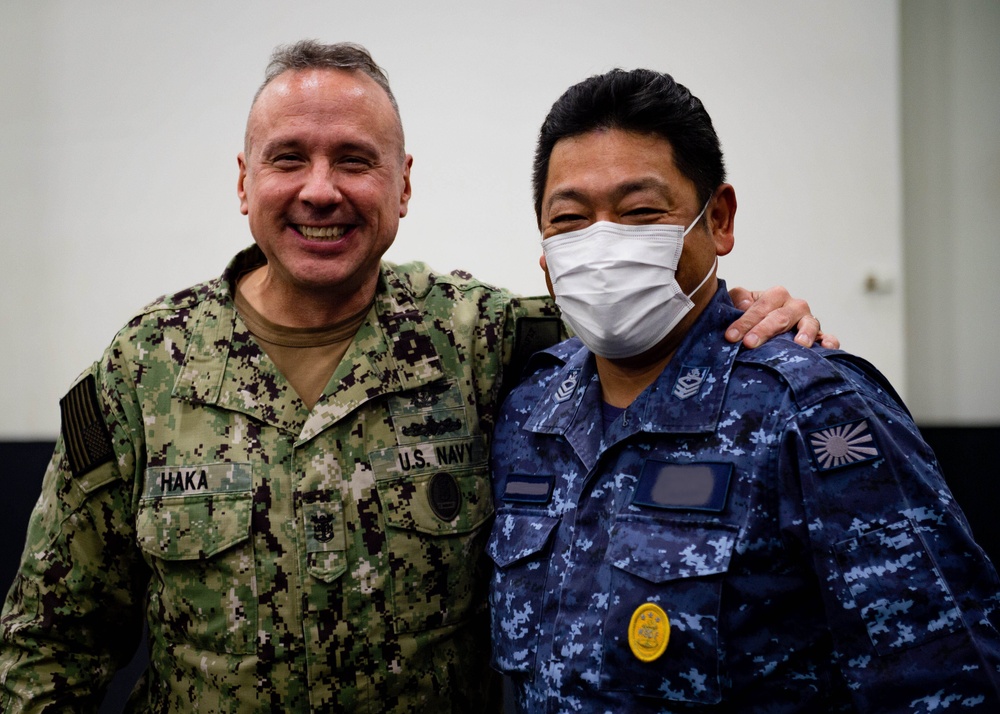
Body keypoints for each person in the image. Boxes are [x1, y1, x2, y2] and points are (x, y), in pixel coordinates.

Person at [0, 41, 829, 711]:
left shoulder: (481, 339)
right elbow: (50, 641)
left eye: (355, 161)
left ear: (403, 187)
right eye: (289, 158)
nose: (321, 191)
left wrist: (749, 308)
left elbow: (639, 317)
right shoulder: (145, 368)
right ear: (244, 182)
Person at [487, 68, 1000, 712]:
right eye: (570, 219)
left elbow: (943, 678)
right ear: (544, 248)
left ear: (719, 220)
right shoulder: (529, 413)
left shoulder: (810, 408)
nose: (603, 243)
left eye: (641, 212)